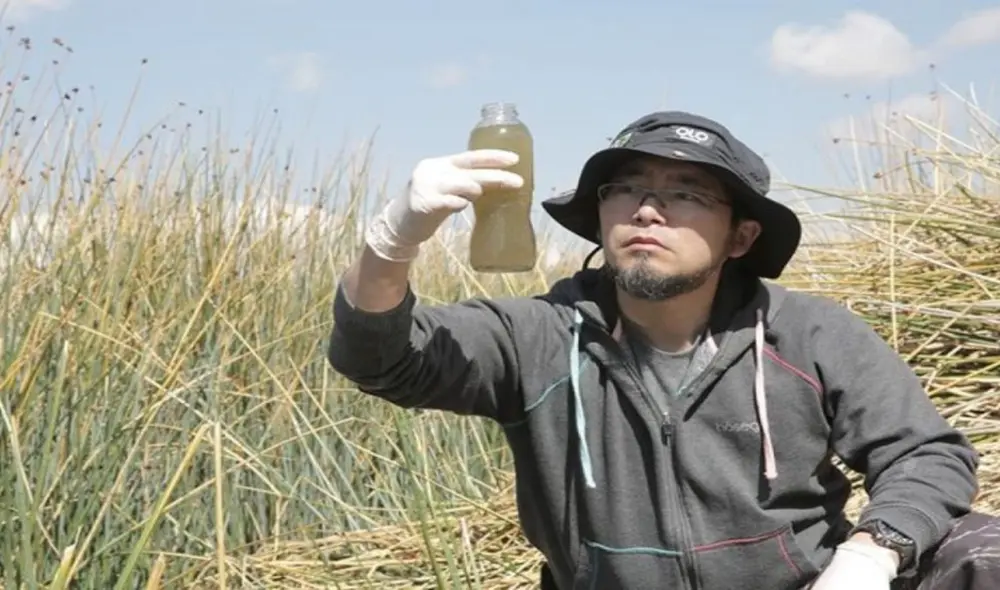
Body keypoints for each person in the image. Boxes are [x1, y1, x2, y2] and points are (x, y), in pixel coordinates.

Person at [327, 111, 1000, 589]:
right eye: (626, 189)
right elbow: (383, 359)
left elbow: (926, 453)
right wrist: (392, 242)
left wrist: (870, 555)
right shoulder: (538, 335)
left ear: (739, 238)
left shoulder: (811, 334)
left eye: (686, 194)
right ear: (600, 216)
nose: (648, 210)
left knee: (983, 552)